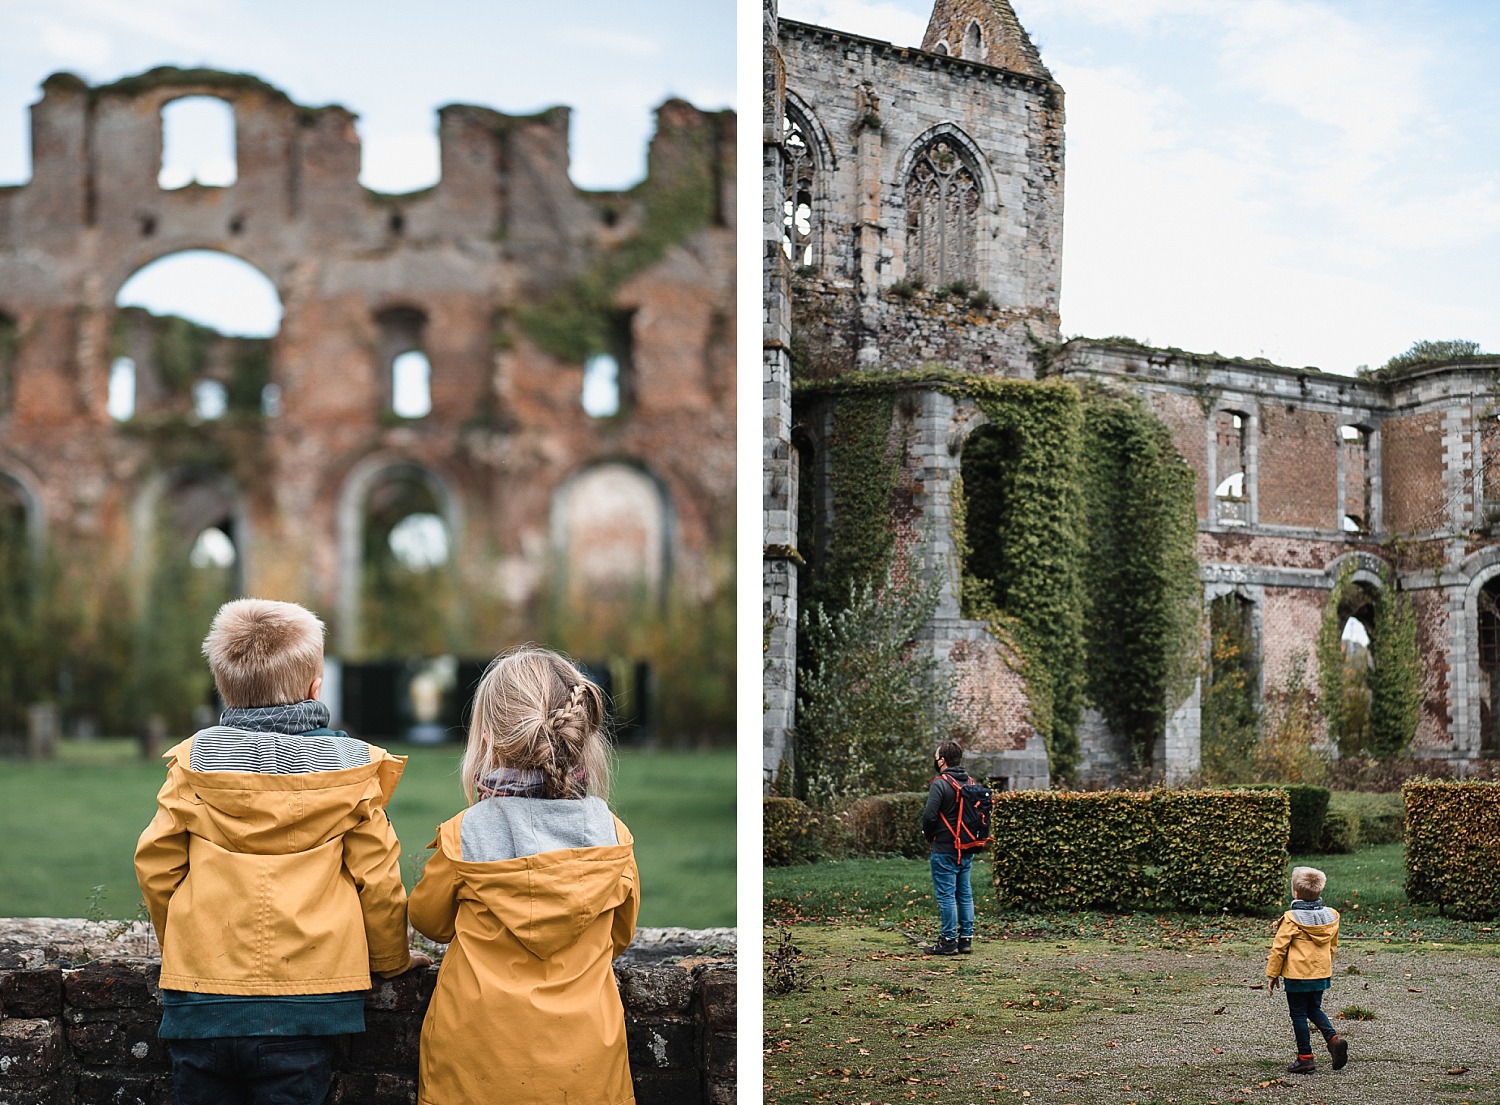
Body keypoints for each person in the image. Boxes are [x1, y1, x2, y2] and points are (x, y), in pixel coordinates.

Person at [135, 598, 424, 1105]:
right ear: (316, 688)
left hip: (202, 999)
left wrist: (178, 946)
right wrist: (390, 960)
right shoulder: (350, 773)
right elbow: (378, 880)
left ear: (224, 686)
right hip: (307, 1003)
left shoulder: (193, 765)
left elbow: (157, 868)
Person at [410, 644, 640, 1105]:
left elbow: (428, 922)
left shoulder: (464, 836)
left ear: (490, 740)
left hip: (472, 1068)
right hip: (585, 1071)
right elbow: (621, 935)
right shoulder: (611, 836)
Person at [1266, 865, 1349, 1074]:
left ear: (1295, 892)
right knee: (1313, 1008)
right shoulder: (1331, 917)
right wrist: (1325, 966)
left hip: (1297, 975)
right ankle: (1333, 1039)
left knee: (1298, 1014)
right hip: (1320, 973)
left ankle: (1305, 1057)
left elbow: (1279, 949)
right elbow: (1332, 946)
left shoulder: (1291, 918)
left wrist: (1272, 974)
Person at [921, 739, 975, 956]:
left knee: (946, 896)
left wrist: (929, 835)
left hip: (944, 848)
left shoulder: (940, 783)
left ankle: (948, 941)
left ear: (942, 760)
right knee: (965, 894)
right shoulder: (970, 782)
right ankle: (966, 939)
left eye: (936, 757)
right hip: (966, 847)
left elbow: (929, 816)